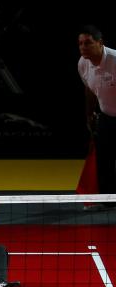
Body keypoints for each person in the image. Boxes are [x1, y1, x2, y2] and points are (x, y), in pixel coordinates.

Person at [79, 25, 116, 206]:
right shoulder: (82, 64)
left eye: (88, 43)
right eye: (80, 44)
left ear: (100, 43)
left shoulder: (115, 60)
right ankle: (109, 200)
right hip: (107, 116)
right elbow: (90, 91)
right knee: (104, 160)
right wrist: (89, 114)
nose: (83, 47)